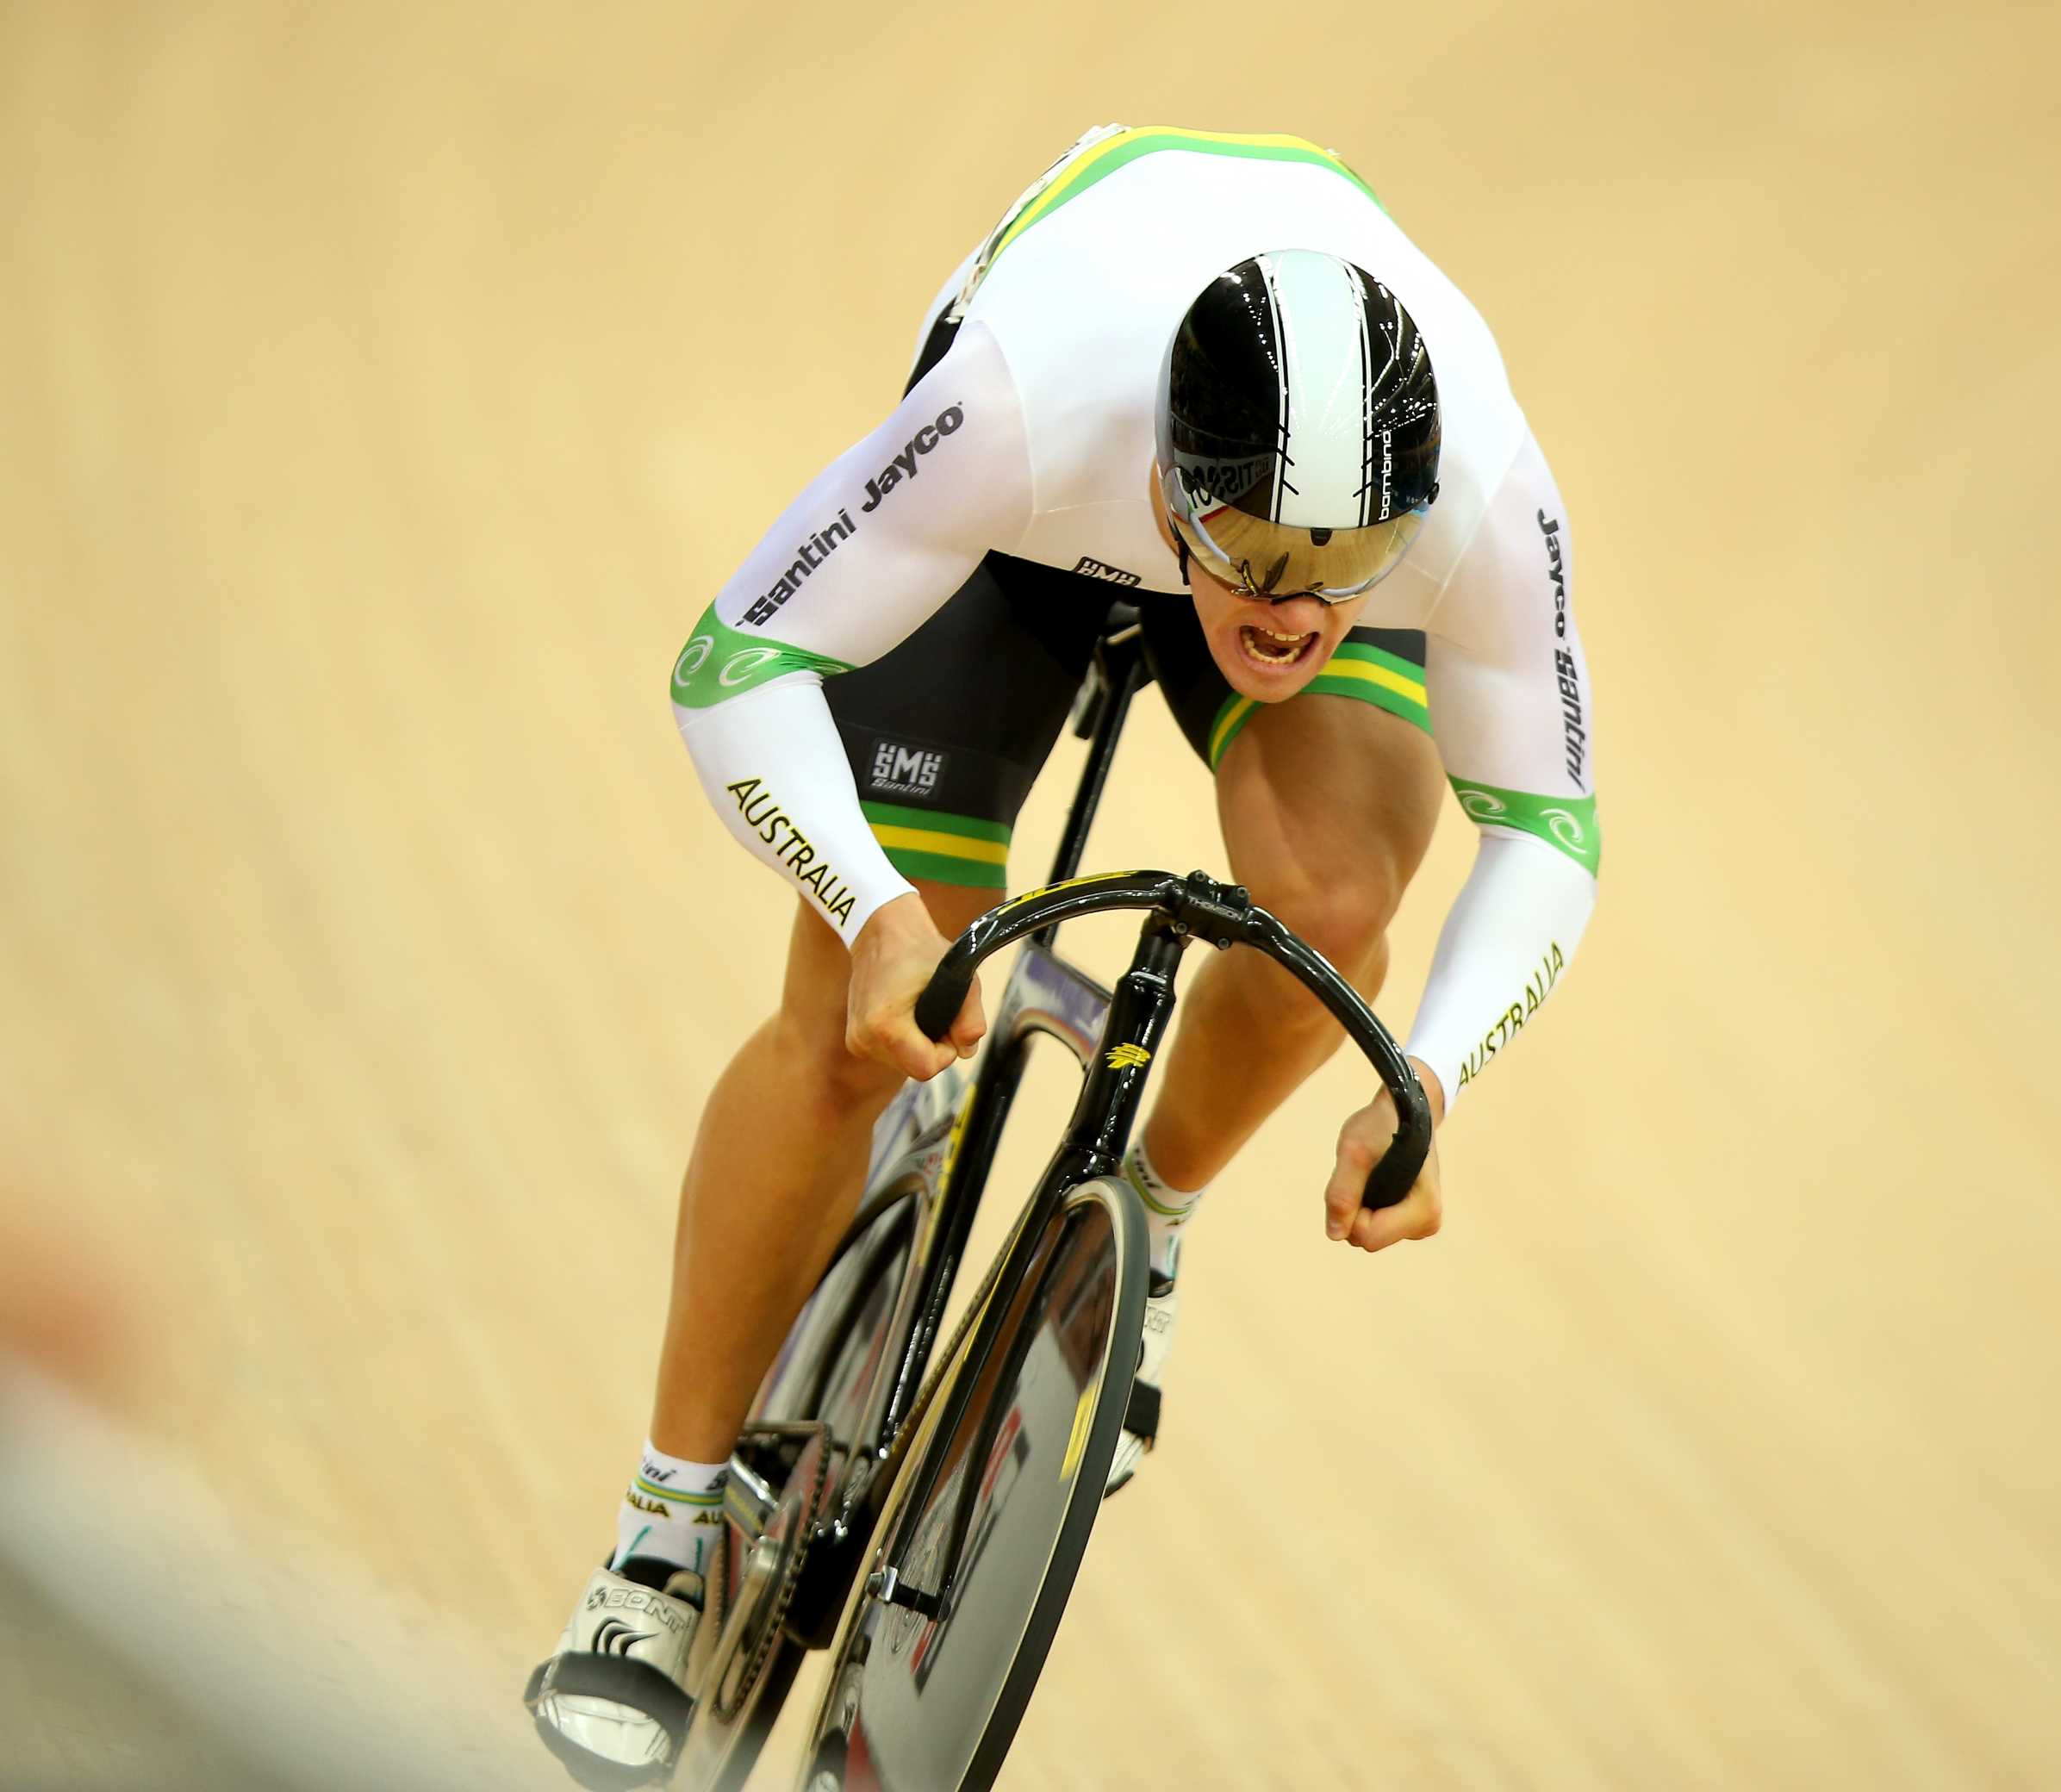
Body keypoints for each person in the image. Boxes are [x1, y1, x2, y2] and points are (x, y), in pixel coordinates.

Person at [527, 123, 1602, 1785]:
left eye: (1338, 573)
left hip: (1233, 484)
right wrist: (879, 916)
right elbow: (730, 664)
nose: (1289, 611)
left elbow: (1551, 832)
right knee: (851, 1031)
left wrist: (1433, 1085)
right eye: (1249, 553)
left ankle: (1144, 1226)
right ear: (1176, 479)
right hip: (1027, 535)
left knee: (1333, 917)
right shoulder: (1031, 405)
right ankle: (658, 1546)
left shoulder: (1478, 490)